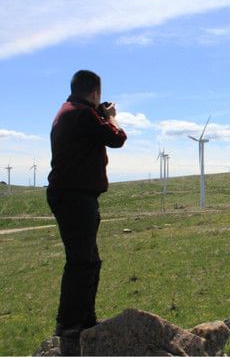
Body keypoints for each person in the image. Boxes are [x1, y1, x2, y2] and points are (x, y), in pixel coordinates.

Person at [46, 70, 127, 338]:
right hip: (76, 197)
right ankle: (69, 326)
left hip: (70, 195)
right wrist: (111, 116)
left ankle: (85, 321)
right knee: (82, 262)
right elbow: (117, 138)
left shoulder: (67, 111)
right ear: (94, 92)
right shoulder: (83, 114)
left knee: (88, 261)